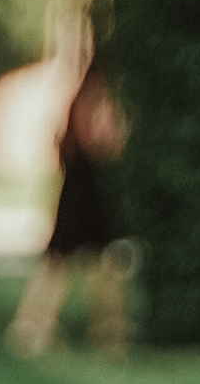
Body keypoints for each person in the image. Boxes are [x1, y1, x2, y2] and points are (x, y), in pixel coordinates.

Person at [9, 55, 132, 360]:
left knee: (73, 261)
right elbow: (102, 142)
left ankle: (39, 326)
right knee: (86, 260)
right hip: (86, 190)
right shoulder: (93, 103)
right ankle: (101, 331)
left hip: (79, 188)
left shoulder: (79, 103)